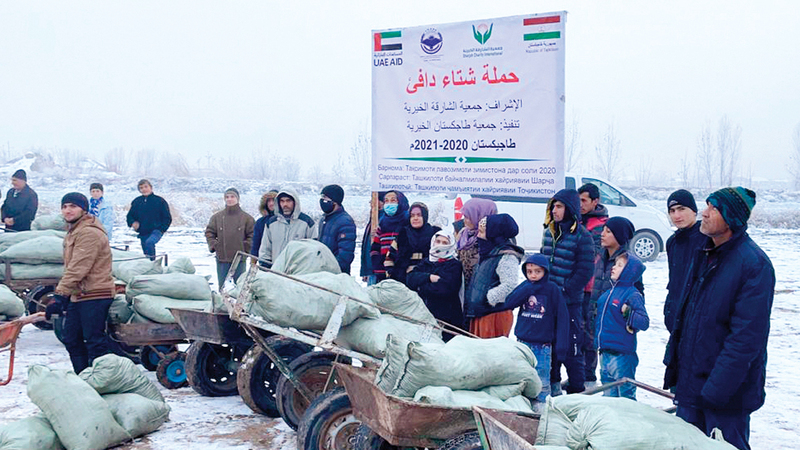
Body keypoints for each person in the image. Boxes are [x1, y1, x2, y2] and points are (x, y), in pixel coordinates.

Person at [664, 187, 774, 450]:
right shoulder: (704, 253)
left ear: (732, 218)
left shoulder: (754, 265)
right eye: (707, 206)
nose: (705, 213)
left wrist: (715, 393)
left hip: (725, 396)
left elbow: (745, 340)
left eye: (714, 209)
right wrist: (676, 367)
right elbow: (688, 316)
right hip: (692, 386)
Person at [44, 193, 115, 374]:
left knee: (94, 341)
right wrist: (67, 294)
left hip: (95, 293)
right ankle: (85, 378)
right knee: (71, 338)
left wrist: (60, 295)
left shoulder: (88, 233)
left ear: (83, 209)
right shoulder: (75, 230)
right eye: (64, 206)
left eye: (73, 206)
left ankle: (103, 380)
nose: (67, 210)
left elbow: (78, 267)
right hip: (81, 293)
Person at [540, 188, 594, 395]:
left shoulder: (582, 236)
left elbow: (585, 270)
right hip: (549, 301)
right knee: (550, 345)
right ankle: (552, 386)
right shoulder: (549, 232)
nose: (554, 210)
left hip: (570, 302)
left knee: (572, 347)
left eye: (559, 206)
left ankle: (577, 390)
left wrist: (566, 289)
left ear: (570, 209)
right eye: (553, 206)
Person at [494, 253, 568, 403]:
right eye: (529, 272)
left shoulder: (552, 289)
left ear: (545, 272)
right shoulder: (525, 287)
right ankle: (524, 403)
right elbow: (509, 302)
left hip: (542, 345)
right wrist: (528, 289)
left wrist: (561, 347)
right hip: (523, 341)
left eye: (537, 272)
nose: (533, 275)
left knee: (541, 379)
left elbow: (562, 318)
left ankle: (542, 406)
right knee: (522, 376)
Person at [586, 217, 644, 386]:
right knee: (607, 380)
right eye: (603, 230)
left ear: (619, 236)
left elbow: (637, 298)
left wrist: (627, 317)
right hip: (600, 326)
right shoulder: (600, 258)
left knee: (622, 384)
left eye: (608, 231)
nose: (602, 234)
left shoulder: (628, 264)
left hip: (618, 331)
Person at [595, 252, 649, 399]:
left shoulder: (632, 294)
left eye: (619, 265)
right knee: (608, 394)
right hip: (604, 352)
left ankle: (627, 420)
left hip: (622, 355)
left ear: (629, 271)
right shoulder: (608, 293)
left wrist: (629, 313)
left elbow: (644, 322)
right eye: (615, 264)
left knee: (625, 394)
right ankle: (610, 421)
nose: (613, 267)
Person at [464, 213, 524, 338]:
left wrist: (489, 297)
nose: (478, 235)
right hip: (482, 313)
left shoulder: (506, 256)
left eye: (481, 232)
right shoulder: (489, 253)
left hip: (494, 315)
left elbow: (510, 284)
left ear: (493, 234)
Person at [406, 230, 464, 341]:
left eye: (444, 242)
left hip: (447, 318)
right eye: (438, 241)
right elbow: (410, 279)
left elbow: (445, 289)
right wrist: (429, 277)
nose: (440, 245)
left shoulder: (453, 265)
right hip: (425, 314)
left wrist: (420, 287)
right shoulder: (427, 262)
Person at [578, 183, 608, 385]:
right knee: (576, 330)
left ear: (595, 202)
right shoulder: (578, 220)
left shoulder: (600, 226)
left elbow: (593, 257)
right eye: (578, 200)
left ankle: (589, 374)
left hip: (591, 287)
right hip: (577, 286)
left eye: (584, 201)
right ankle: (578, 372)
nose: (580, 204)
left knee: (589, 333)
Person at [663, 189, 704, 333]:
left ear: (694, 211)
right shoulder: (672, 242)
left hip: (699, 319)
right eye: (672, 211)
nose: (677, 215)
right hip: (675, 317)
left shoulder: (707, 239)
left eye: (681, 209)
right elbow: (674, 281)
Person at [205, 188, 255, 287]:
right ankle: (222, 303)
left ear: (238, 199)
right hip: (222, 258)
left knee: (240, 287)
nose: (229, 199)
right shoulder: (217, 217)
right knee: (222, 287)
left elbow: (253, 235)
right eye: (227, 197)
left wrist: (244, 248)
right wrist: (215, 245)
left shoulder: (247, 218)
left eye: (232, 197)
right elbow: (209, 232)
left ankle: (240, 303)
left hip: (239, 259)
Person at [258, 188, 315, 267]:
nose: (285, 204)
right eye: (282, 201)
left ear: (295, 202)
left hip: (299, 272)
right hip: (276, 271)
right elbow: (265, 249)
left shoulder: (307, 223)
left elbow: (314, 250)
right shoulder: (271, 223)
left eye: (288, 201)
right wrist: (266, 267)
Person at [388, 202, 441, 285]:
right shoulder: (403, 234)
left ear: (425, 216)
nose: (415, 218)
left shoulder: (435, 234)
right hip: (404, 282)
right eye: (412, 215)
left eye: (419, 215)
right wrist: (392, 276)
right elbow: (389, 258)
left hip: (429, 282)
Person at [314, 184, 357, 274]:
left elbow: (345, 255)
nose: (322, 201)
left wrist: (330, 269)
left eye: (325, 198)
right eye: (322, 197)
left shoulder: (345, 222)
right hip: (322, 272)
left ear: (334, 201)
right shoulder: (324, 219)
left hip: (336, 275)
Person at [456, 198, 497, 288]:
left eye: (468, 217)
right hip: (462, 289)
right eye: (464, 217)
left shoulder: (492, 239)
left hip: (482, 293)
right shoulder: (463, 233)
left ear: (479, 216)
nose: (464, 221)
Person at [126, 179, 171, 259]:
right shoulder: (137, 202)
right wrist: (133, 223)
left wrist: (162, 229)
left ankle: (153, 264)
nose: (144, 189)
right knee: (146, 253)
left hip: (157, 230)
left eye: (146, 187)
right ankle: (149, 265)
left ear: (151, 187)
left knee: (149, 242)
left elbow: (167, 218)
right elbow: (130, 216)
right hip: (143, 231)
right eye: (141, 188)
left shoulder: (160, 201)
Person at [370, 190, 409, 282]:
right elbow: (375, 248)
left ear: (401, 202)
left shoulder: (408, 222)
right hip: (383, 274)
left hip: (403, 274)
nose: (389, 204)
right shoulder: (383, 223)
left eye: (393, 201)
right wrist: (379, 269)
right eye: (386, 201)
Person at [360, 192, 385, 285]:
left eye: (374, 199)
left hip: (378, 270)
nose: (370, 202)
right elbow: (366, 246)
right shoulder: (373, 218)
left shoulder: (383, 220)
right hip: (371, 270)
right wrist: (365, 270)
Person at [251, 189, 279, 258]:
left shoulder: (286, 221)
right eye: (269, 201)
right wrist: (253, 261)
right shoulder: (260, 222)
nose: (271, 203)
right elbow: (256, 244)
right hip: (264, 260)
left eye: (274, 200)